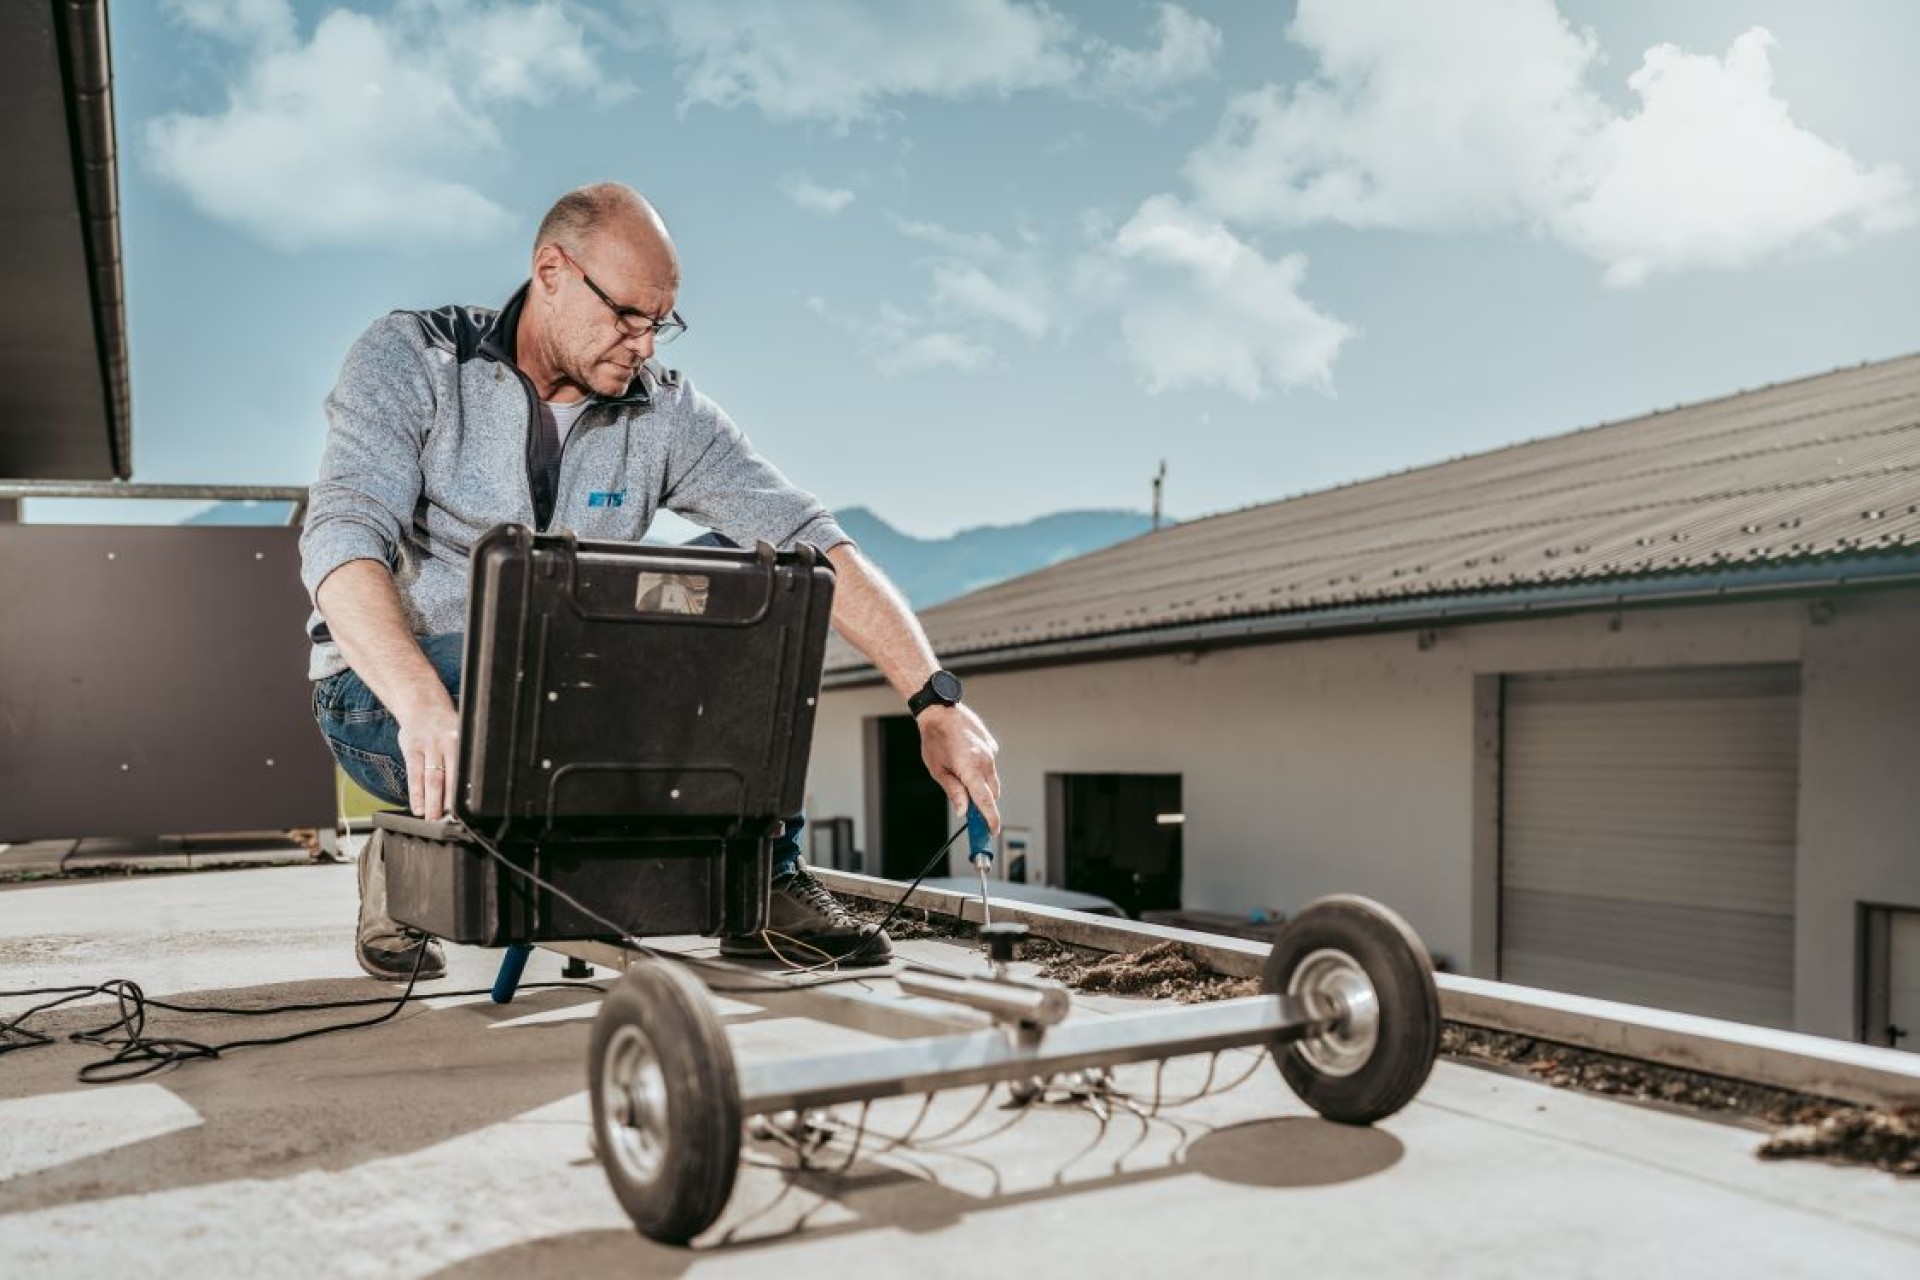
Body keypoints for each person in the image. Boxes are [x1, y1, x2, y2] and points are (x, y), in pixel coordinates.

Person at [300, 182, 1001, 981]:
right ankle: (405, 857)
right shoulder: (415, 358)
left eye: (660, 323)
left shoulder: (664, 412)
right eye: (626, 316)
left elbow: (812, 534)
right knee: (542, 699)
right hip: (387, 696)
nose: (644, 345)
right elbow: (342, 537)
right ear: (551, 271)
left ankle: (762, 883)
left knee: (761, 585)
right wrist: (422, 703)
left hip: (573, 697)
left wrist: (935, 700)